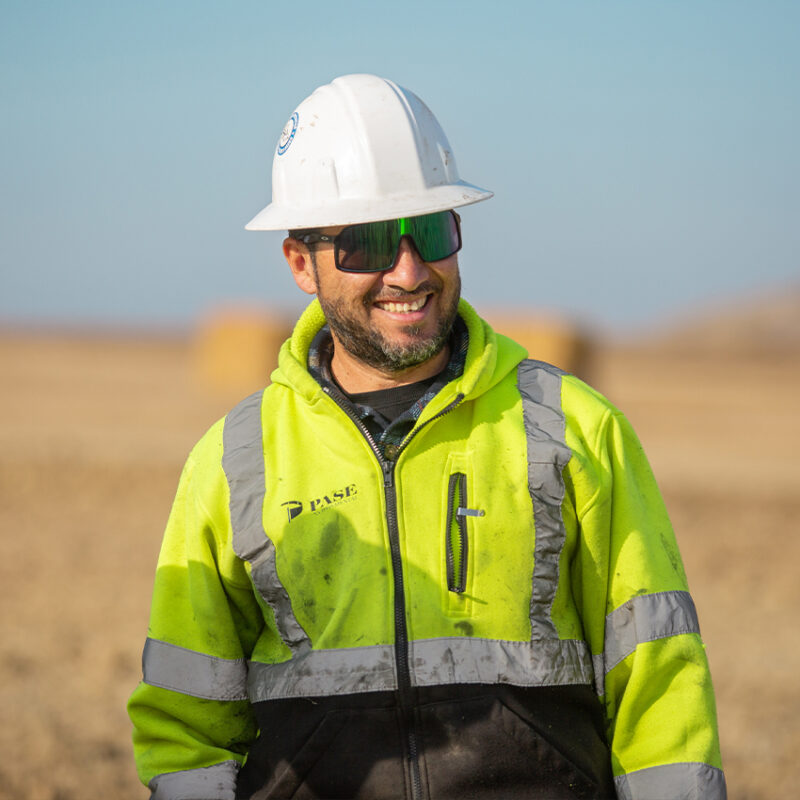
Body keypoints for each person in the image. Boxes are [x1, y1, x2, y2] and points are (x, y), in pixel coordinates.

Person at [128, 74, 726, 800]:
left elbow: (659, 683)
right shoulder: (234, 461)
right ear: (299, 262)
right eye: (369, 244)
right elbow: (187, 722)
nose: (408, 271)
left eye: (432, 230)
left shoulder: (576, 430)